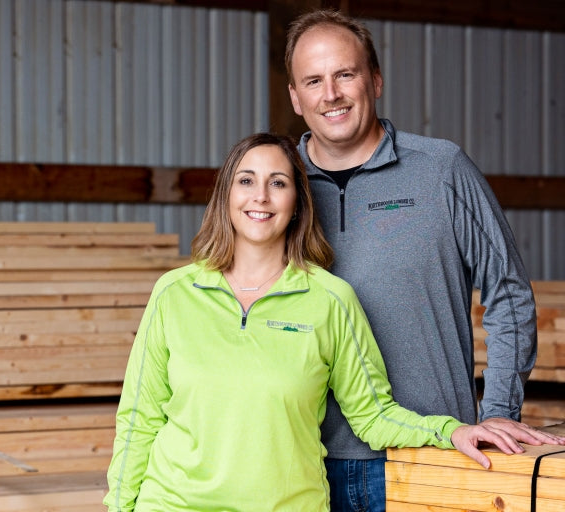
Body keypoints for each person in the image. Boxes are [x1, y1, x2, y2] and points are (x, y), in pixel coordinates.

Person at [103, 132, 526, 512]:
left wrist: (452, 431)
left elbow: (374, 415)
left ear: (298, 202)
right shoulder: (174, 294)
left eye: (278, 183)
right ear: (225, 195)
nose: (261, 196)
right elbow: (139, 420)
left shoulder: (329, 301)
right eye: (246, 180)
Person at [285, 9, 565, 512]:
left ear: (375, 80)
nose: (331, 94)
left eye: (345, 74)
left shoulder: (441, 169)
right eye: (313, 80)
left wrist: (499, 410)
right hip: (301, 461)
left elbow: (508, 290)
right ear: (295, 96)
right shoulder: (276, 186)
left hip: (432, 452)